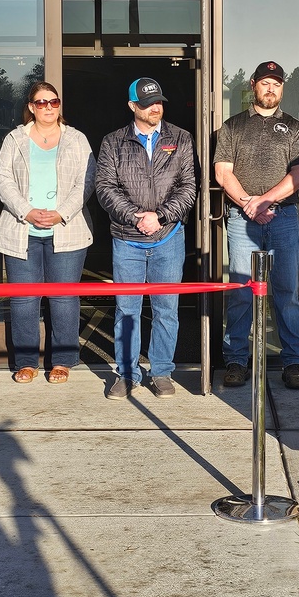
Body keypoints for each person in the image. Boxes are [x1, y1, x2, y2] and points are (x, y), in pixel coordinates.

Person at [95, 76, 196, 400]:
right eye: (148, 103)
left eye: (159, 101)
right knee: (127, 310)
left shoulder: (181, 138)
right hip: (127, 240)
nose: (156, 107)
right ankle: (127, 374)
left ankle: (162, 372)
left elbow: (189, 187)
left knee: (166, 309)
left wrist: (161, 215)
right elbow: (105, 188)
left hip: (168, 238)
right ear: (132, 106)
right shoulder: (113, 142)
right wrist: (135, 216)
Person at [214, 60, 299, 389]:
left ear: (282, 88)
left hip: (282, 218)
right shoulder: (233, 126)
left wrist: (266, 200)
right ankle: (236, 360)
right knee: (242, 293)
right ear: (253, 85)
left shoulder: (295, 128)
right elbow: (223, 172)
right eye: (265, 83)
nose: (271, 89)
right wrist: (248, 204)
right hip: (243, 220)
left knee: (285, 293)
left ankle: (294, 362)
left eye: (277, 84)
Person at [0, 80, 95, 384]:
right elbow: (2, 177)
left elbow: (87, 180)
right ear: (31, 107)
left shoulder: (77, 139)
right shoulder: (15, 139)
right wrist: (25, 210)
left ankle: (62, 361)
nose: (48, 107)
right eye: (41, 102)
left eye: (53, 102)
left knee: (63, 298)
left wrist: (62, 213)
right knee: (24, 300)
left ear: (59, 105)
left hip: (67, 229)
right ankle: (26, 362)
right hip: (22, 229)